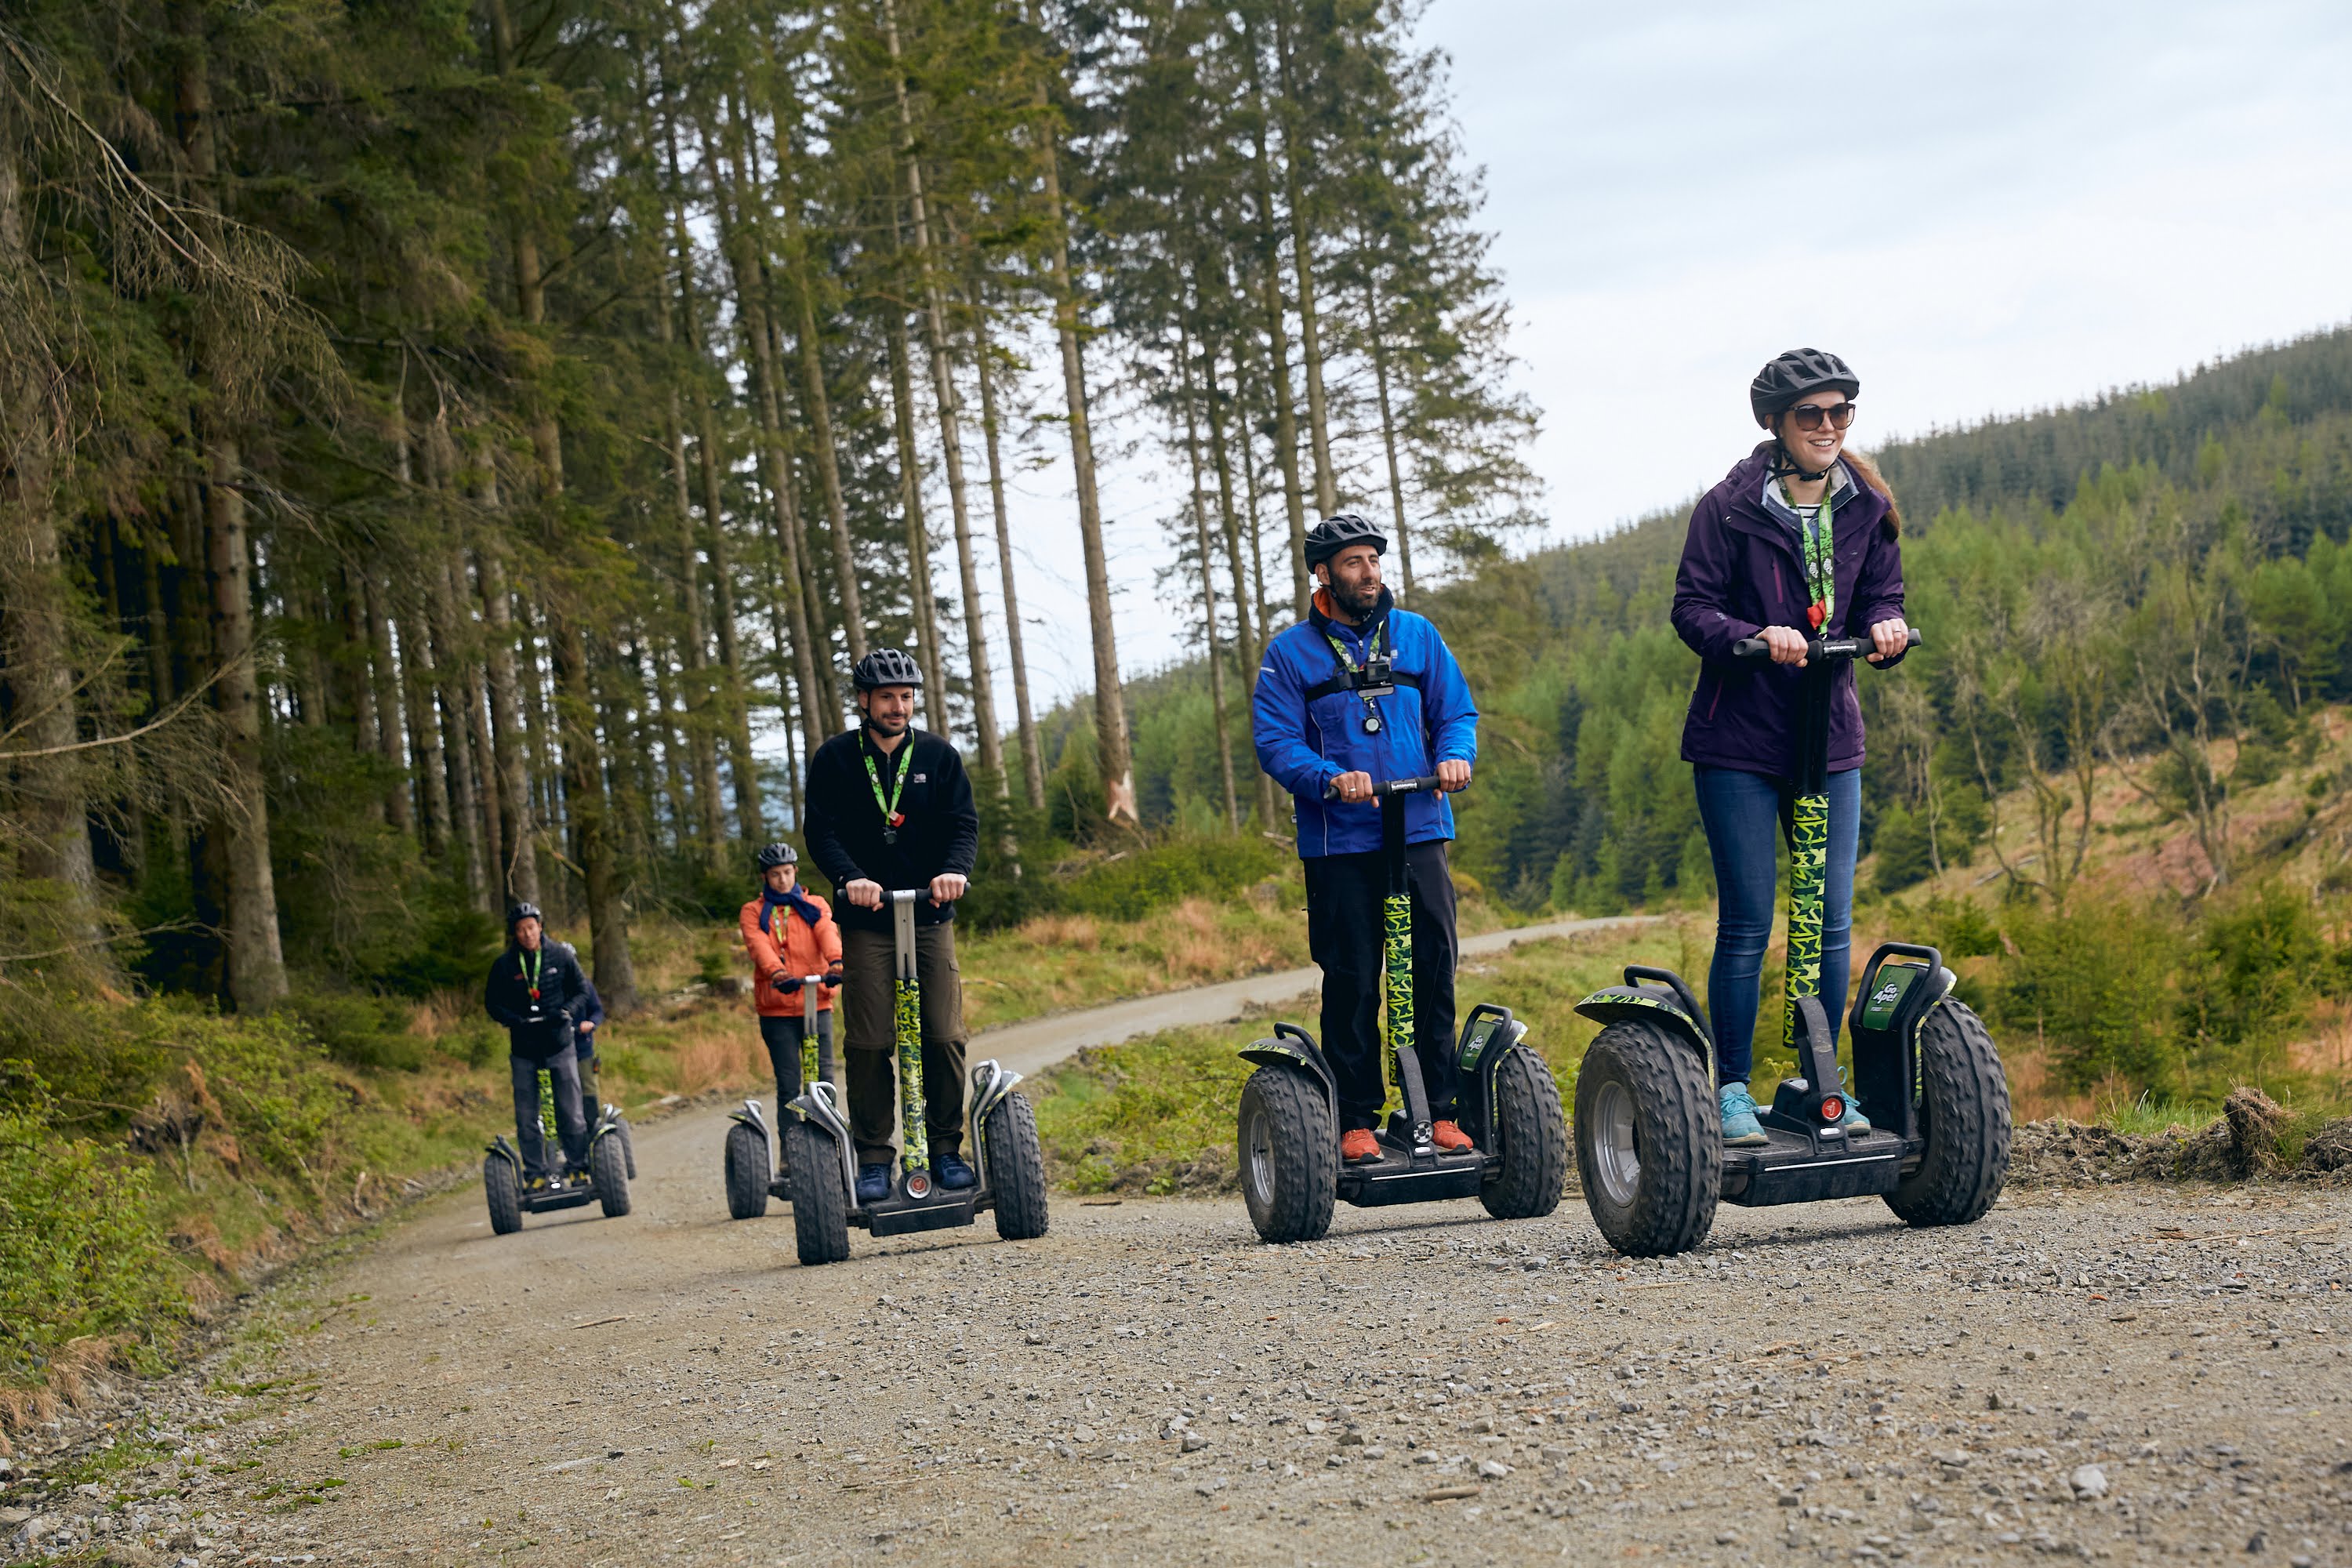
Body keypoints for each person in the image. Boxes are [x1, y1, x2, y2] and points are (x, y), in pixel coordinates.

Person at [1671, 348, 1911, 1147]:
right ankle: (1732, 1089)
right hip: (1739, 740)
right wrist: (1751, 635)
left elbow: (1885, 593)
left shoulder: (1866, 505)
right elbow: (1692, 609)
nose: (1830, 427)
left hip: (1829, 734)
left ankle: (1817, 1080)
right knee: (1749, 920)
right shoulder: (1729, 508)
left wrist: (1885, 628)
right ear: (1775, 422)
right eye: (1813, 414)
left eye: (1842, 412)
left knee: (1829, 918)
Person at [1251, 514, 1479, 1165]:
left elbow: (1455, 711)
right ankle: (1355, 1119)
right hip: (1340, 841)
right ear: (1323, 574)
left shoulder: (1417, 635)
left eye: (1373, 560)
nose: (1369, 573)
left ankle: (1438, 1111)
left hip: (1420, 827)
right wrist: (1328, 778)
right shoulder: (1290, 653)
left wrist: (1455, 755)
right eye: (1352, 563)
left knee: (1433, 968)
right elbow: (1276, 741)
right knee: (1352, 976)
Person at [802, 648, 980, 1204]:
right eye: (887, 697)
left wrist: (954, 871)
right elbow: (821, 832)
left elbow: (963, 825)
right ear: (864, 702)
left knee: (944, 1034)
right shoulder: (835, 759)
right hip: (866, 920)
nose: (898, 707)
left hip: (929, 914)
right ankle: (875, 1157)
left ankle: (947, 1150)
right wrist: (850, 877)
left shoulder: (938, 756)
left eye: (905, 697)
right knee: (870, 1039)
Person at [739, 841, 844, 1149]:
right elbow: (759, 945)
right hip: (778, 1008)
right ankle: (791, 1149)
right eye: (775, 875)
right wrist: (777, 973)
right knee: (789, 1083)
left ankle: (830, 1141)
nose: (782, 880)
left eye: (787, 872)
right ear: (765, 878)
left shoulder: (816, 904)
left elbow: (826, 931)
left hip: (818, 1002)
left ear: (795, 872)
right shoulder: (753, 912)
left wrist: (837, 961)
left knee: (825, 1077)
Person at [483, 902, 592, 1189]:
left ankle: (578, 1166)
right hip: (524, 1049)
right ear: (514, 934)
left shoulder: (561, 956)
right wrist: (512, 1020)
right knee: (527, 1116)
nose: (527, 934)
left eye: (531, 927)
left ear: (540, 927)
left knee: (570, 1109)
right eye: (520, 930)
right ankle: (535, 1174)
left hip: (559, 1043)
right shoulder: (504, 966)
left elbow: (582, 990)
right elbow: (492, 1004)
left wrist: (567, 1010)